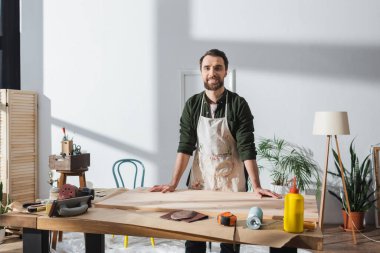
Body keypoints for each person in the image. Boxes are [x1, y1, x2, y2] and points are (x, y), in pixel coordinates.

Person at [150, 49, 281, 253]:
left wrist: (256, 185)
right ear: (201, 72)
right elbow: (185, 146)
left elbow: (247, 146)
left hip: (232, 181)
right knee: (194, 237)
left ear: (226, 71)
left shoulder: (238, 104)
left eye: (218, 68)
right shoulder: (192, 105)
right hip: (200, 180)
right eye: (207, 68)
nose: (212, 72)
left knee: (229, 237)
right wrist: (173, 183)